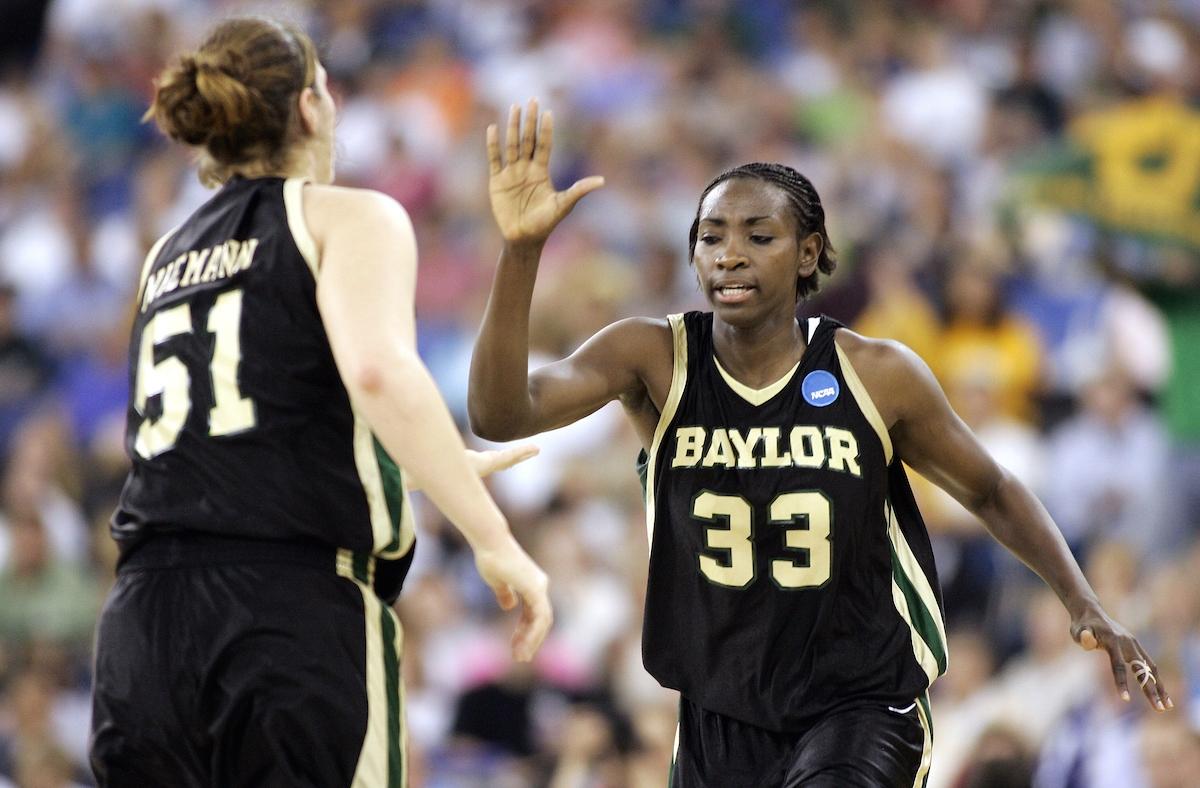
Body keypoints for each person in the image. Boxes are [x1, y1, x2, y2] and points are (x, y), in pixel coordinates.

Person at [468, 101, 1171, 787]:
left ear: (808, 253)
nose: (730, 254)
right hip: (721, 706)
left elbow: (991, 488)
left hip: (862, 699)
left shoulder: (876, 371)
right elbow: (500, 414)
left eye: (757, 236)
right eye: (712, 237)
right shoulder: (653, 355)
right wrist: (521, 252)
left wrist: (1082, 600)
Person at [89, 18, 551, 788]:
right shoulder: (349, 215)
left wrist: (426, 460)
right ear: (310, 107)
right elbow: (376, 371)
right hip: (284, 615)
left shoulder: (162, 256)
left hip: (141, 624)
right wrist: (491, 532)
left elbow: (238, 425)